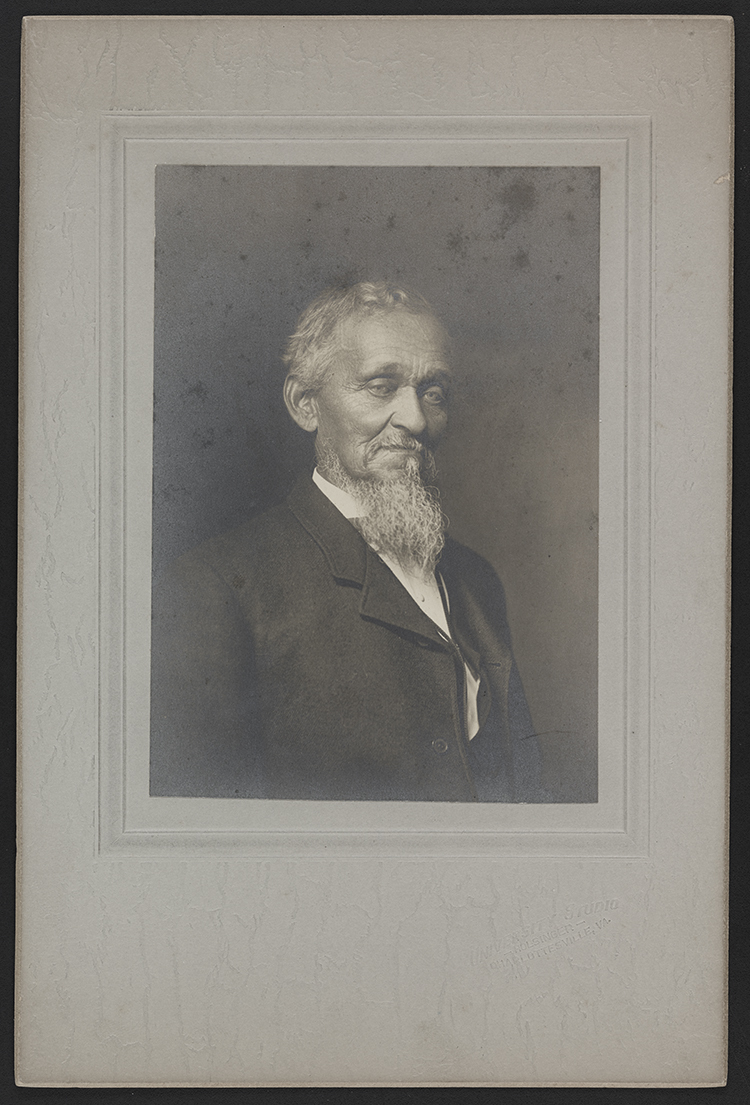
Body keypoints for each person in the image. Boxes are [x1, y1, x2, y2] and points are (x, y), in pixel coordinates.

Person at [150, 281, 544, 802]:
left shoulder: (475, 577)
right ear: (304, 404)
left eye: (434, 392)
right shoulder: (217, 586)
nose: (416, 419)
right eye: (382, 386)